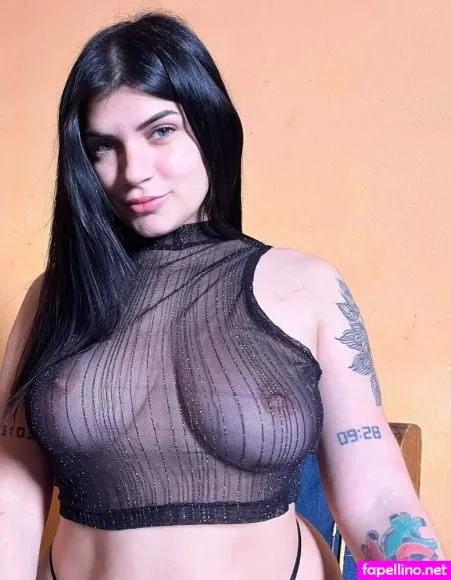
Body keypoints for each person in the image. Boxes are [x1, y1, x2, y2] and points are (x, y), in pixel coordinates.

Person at [0, 10, 445, 580]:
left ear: (209, 125)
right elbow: (11, 500)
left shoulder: (308, 286)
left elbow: (380, 500)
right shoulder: (54, 297)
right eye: (103, 146)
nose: (134, 171)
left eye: (161, 131)